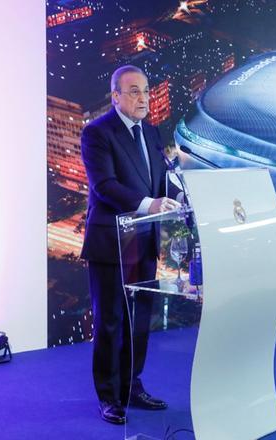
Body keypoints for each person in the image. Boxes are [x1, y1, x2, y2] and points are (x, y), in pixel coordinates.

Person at [80, 65, 180, 425]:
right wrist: (148, 205)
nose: (144, 98)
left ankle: (132, 385)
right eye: (134, 91)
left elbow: (160, 180)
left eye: (147, 91)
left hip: (143, 241)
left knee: (139, 322)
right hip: (111, 244)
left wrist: (180, 195)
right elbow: (104, 186)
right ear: (116, 97)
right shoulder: (97, 133)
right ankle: (109, 396)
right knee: (110, 322)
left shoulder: (152, 133)